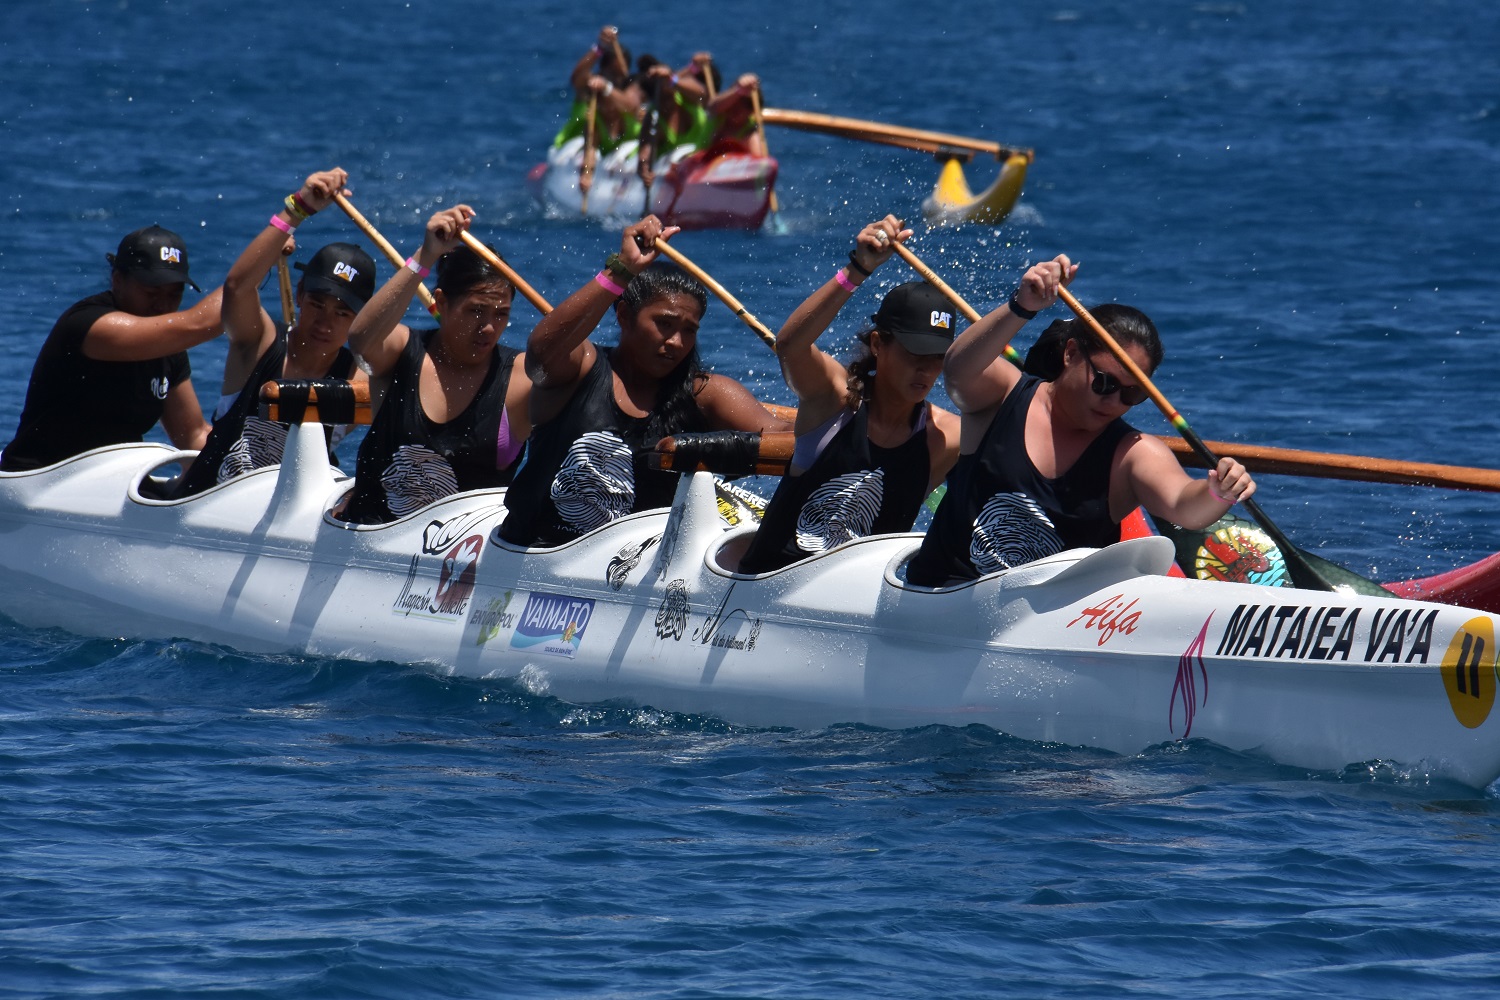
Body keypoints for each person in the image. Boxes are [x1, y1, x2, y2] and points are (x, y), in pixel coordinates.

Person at [904, 256, 1257, 586]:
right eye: (1105, 383)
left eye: (1132, 395)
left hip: (1046, 627)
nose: (1115, 401)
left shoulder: (1132, 454)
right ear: (1071, 353)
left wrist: (1218, 490)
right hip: (941, 599)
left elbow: (1184, 506)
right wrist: (1021, 307)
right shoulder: (1003, 395)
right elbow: (957, 370)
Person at [498, 215, 790, 548]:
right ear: (624, 316)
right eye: (664, 324)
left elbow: (791, 439)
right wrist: (620, 270)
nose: (677, 342)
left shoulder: (705, 393)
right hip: (536, 553)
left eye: (689, 331)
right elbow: (540, 355)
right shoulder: (579, 369)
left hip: (635, 567)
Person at [738, 217, 960, 573]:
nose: (926, 370)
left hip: (859, 606)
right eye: (914, 354)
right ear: (878, 344)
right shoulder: (834, 400)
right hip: (769, 588)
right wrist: (857, 269)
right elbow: (791, 346)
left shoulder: (947, 437)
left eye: (937, 358)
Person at [173, 168, 372, 497]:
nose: (325, 322)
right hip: (206, 506)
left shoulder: (359, 381)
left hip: (289, 516)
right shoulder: (258, 344)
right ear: (300, 294)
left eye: (342, 313)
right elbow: (238, 288)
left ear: (360, 318)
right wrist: (297, 209)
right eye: (318, 305)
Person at [335, 206, 530, 524]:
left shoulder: (521, 377)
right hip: (371, 541)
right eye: (476, 311)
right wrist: (425, 256)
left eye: (501, 314)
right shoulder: (401, 351)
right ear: (439, 303)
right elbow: (360, 338)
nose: (489, 328)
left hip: (463, 561)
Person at [1, 225, 221, 471]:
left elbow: (193, 435)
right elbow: (201, 324)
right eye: (152, 292)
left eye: (174, 295)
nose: (163, 306)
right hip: (40, 481)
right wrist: (259, 260)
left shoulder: (167, 348)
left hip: (110, 484)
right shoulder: (90, 325)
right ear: (118, 280)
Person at [554, 25, 642, 154]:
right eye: (612, 73)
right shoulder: (591, 87)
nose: (616, 79)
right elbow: (577, 76)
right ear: (602, 69)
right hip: (572, 150)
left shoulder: (629, 90)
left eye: (619, 75)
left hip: (611, 156)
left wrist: (607, 88)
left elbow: (631, 105)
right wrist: (600, 48)